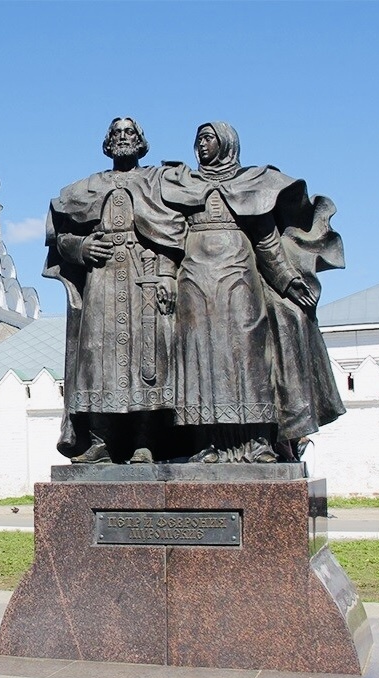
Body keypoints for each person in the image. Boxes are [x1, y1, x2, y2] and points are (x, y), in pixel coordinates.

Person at [160, 121, 344, 462]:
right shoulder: (182, 185)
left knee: (249, 357)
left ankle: (257, 443)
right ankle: (206, 444)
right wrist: (165, 276)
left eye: (208, 139)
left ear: (227, 143)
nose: (201, 145)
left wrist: (288, 280)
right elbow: (168, 239)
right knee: (199, 359)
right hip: (195, 280)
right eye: (198, 139)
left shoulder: (251, 184)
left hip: (239, 278)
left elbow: (266, 240)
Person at [45, 117, 186, 463]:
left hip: (145, 276)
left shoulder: (156, 182)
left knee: (148, 359)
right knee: (97, 359)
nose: (123, 138)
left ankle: (145, 442)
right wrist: (81, 248)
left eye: (130, 133)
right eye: (117, 133)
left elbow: (173, 232)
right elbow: (59, 236)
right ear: (107, 143)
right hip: (102, 280)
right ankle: (100, 442)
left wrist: (168, 274)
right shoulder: (87, 187)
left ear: (140, 141)